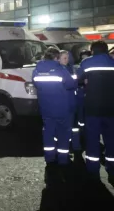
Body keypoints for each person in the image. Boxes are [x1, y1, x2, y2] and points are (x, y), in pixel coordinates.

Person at [32, 47, 78, 184]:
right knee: (63, 134)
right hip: (62, 109)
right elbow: (71, 84)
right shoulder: (60, 69)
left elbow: (35, 83)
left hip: (45, 109)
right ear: (56, 57)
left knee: (48, 133)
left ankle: (50, 159)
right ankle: (63, 160)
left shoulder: (37, 69)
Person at [78, 41, 114, 185]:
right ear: (106, 51)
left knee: (92, 140)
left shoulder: (87, 63)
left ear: (92, 51)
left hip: (92, 108)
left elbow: (78, 80)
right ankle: (112, 168)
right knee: (111, 139)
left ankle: (93, 170)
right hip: (111, 109)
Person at [58, 50, 81, 156]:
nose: (67, 60)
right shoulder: (60, 70)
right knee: (67, 127)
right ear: (58, 59)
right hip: (66, 102)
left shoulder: (71, 69)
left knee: (74, 126)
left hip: (73, 101)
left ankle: (76, 146)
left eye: (67, 58)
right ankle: (67, 147)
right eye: (64, 58)